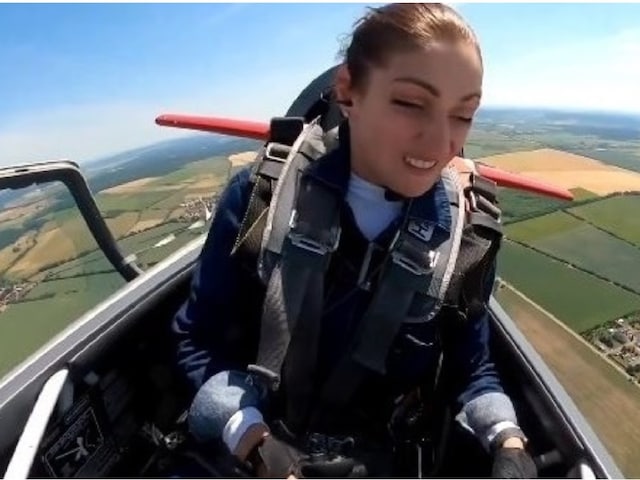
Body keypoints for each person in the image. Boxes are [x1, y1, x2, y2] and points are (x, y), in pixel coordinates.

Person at [172, 3, 537, 478]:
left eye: (463, 114)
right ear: (347, 92)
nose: (439, 141)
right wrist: (253, 441)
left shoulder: (466, 237)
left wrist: (507, 441)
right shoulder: (261, 202)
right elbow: (195, 338)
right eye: (410, 103)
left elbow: (473, 368)